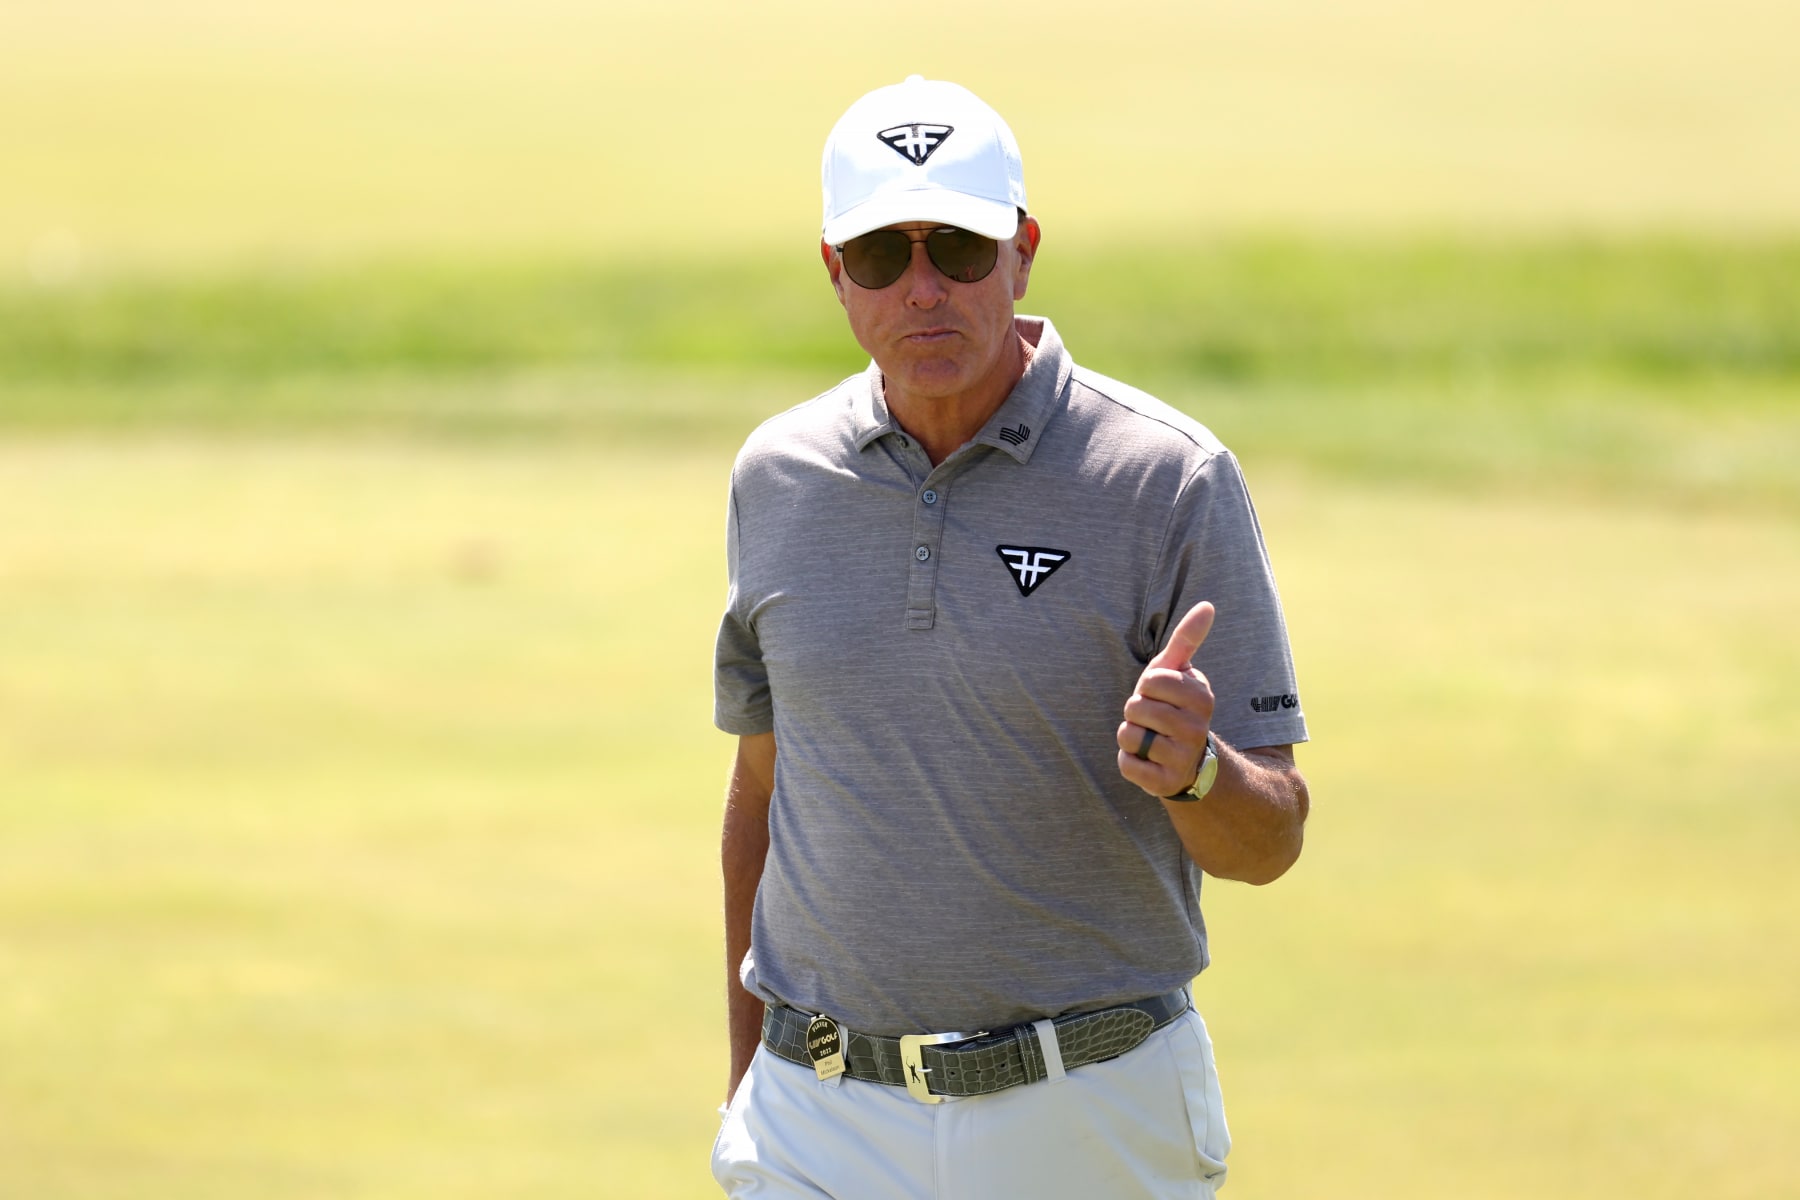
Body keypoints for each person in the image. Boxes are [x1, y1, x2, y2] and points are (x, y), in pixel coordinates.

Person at [712, 75, 1310, 1199]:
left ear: (1023, 254)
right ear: (836, 272)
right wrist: (746, 1085)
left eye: (960, 249)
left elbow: (1271, 839)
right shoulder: (777, 476)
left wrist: (1199, 773)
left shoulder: (1169, 478)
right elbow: (762, 793)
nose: (923, 288)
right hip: (817, 1124)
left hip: (1088, 1116)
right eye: (881, 255)